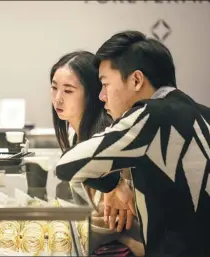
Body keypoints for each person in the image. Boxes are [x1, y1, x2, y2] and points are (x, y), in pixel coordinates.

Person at [55, 30, 210, 256]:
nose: (102, 96)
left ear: (136, 80)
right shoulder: (202, 113)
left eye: (105, 84)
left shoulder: (149, 115)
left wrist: (114, 185)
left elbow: (67, 164)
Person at [50, 51, 144, 255]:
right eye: (54, 88)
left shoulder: (105, 139)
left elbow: (110, 223)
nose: (57, 98)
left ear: (91, 93)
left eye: (68, 90)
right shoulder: (76, 134)